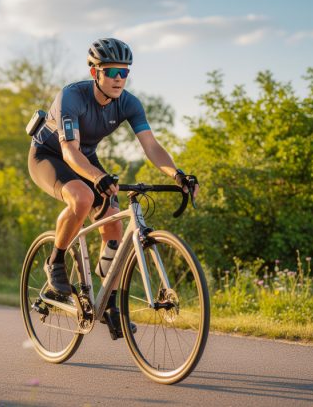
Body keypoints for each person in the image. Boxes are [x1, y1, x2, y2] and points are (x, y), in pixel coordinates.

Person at [28, 37, 199, 338]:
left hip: (86, 157)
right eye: (112, 72)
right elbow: (69, 151)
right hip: (50, 155)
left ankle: (108, 304)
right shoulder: (72, 97)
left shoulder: (129, 103)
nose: (120, 79)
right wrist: (96, 177)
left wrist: (177, 175)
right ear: (96, 73)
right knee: (82, 197)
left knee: (114, 223)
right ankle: (55, 261)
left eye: (125, 72)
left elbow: (151, 146)